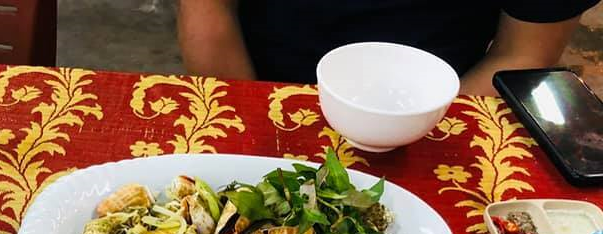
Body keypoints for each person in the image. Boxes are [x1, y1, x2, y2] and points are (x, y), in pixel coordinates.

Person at [177, 1, 598, 95]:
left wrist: (422, 126)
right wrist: (251, 118)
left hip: (443, 104)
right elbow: (208, 8)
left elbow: (523, 52)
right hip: (259, 79)